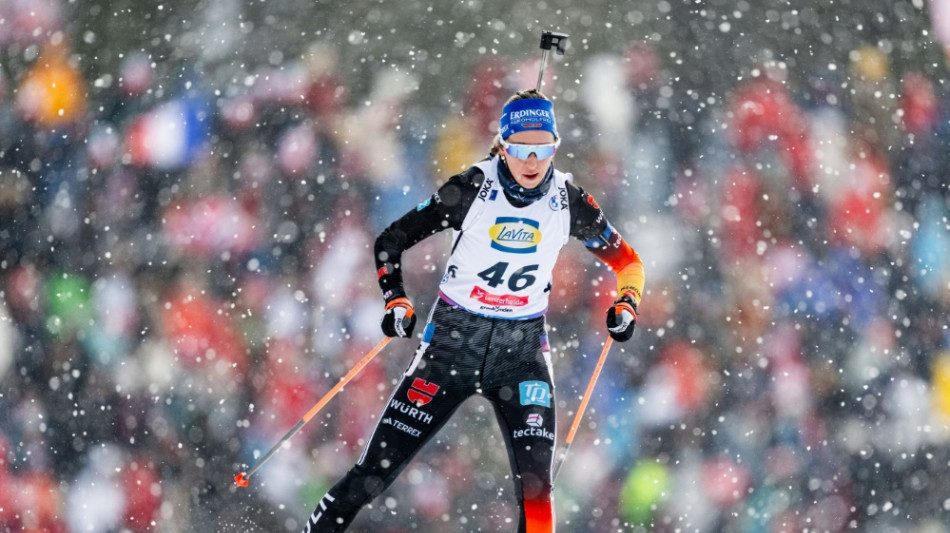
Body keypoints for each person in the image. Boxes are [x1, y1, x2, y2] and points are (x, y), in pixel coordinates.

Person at [302, 89, 645, 533]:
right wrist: (396, 299)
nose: (532, 161)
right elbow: (391, 241)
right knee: (374, 473)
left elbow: (629, 263)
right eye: (521, 148)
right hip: (451, 346)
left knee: (538, 494)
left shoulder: (569, 201)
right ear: (503, 145)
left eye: (544, 149)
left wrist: (627, 304)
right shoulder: (471, 189)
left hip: (520, 353)